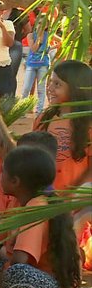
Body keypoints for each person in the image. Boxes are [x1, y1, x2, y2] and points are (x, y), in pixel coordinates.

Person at [0, 146, 81, 288]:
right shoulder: (17, 201)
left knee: (17, 273)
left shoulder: (36, 207)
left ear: (15, 182)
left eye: (3, 172)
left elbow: (20, 260)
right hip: (15, 273)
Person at [34, 60, 91, 190]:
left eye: (57, 84)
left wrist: (71, 196)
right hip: (42, 197)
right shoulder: (43, 119)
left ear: (76, 88)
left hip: (75, 202)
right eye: (50, 82)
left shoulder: (88, 125)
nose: (49, 88)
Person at [21, 17, 50, 114]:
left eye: (43, 23)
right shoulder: (31, 35)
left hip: (43, 64)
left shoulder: (49, 35)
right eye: (39, 23)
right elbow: (33, 49)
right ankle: (22, 111)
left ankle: (39, 111)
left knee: (41, 89)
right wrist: (39, 40)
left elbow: (59, 42)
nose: (40, 25)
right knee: (26, 88)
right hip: (32, 64)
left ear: (46, 25)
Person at [4, 6, 32, 80]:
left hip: (14, 46)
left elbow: (28, 30)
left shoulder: (19, 13)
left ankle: (10, 91)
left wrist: (17, 38)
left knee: (11, 74)